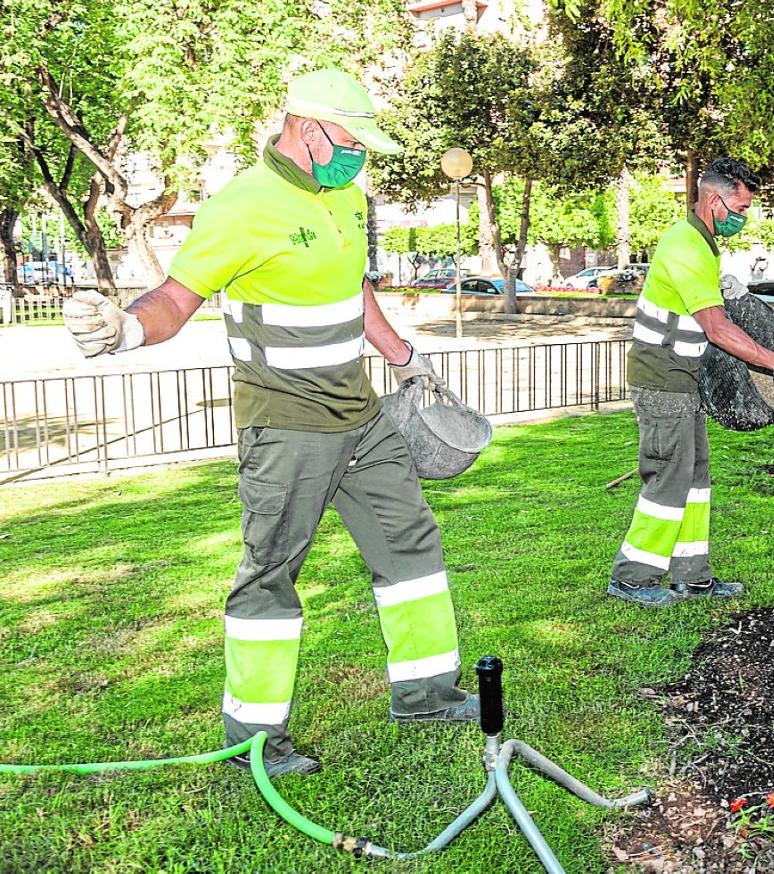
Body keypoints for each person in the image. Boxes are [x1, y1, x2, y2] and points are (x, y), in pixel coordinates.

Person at [62, 68, 477, 776]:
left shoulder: (344, 195)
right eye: (350, 141)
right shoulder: (241, 206)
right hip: (286, 423)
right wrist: (123, 329)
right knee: (271, 573)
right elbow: (174, 297)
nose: (359, 157)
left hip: (361, 413)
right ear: (306, 128)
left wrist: (405, 358)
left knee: (411, 543)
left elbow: (355, 287)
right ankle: (253, 739)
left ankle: (427, 695)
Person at [608, 157, 774, 607]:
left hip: (683, 377)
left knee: (695, 477)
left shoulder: (701, 242)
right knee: (668, 478)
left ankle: (692, 576)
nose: (744, 216)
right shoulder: (688, 246)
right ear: (714, 199)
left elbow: (704, 310)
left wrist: (728, 290)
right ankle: (632, 577)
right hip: (662, 377)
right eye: (742, 206)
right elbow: (716, 330)